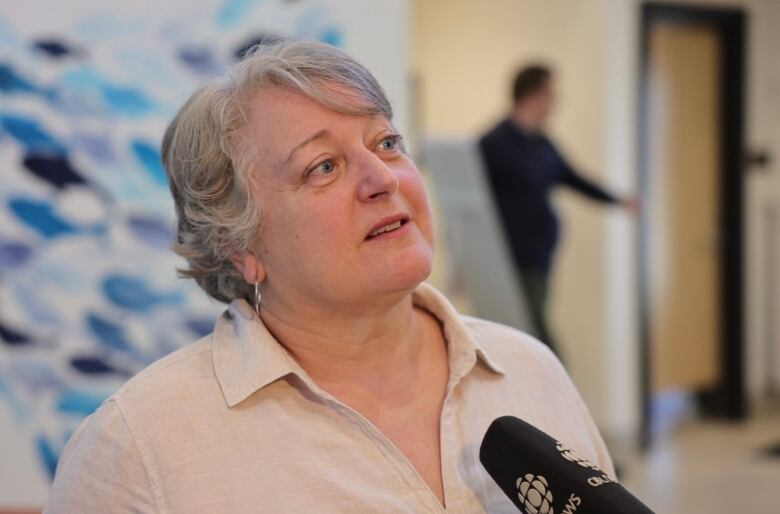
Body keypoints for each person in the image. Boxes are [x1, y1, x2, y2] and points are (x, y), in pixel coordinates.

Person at [45, 41, 615, 513]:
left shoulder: (531, 370)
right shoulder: (137, 448)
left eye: (386, 143)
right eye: (323, 167)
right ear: (239, 245)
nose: (381, 178)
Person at [479, 64, 637, 359]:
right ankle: (556, 388)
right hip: (512, 256)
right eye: (551, 92)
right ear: (532, 94)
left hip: (540, 256)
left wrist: (617, 200)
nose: (555, 100)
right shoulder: (495, 143)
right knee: (534, 335)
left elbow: (573, 178)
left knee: (530, 329)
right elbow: (475, 200)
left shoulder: (542, 143)